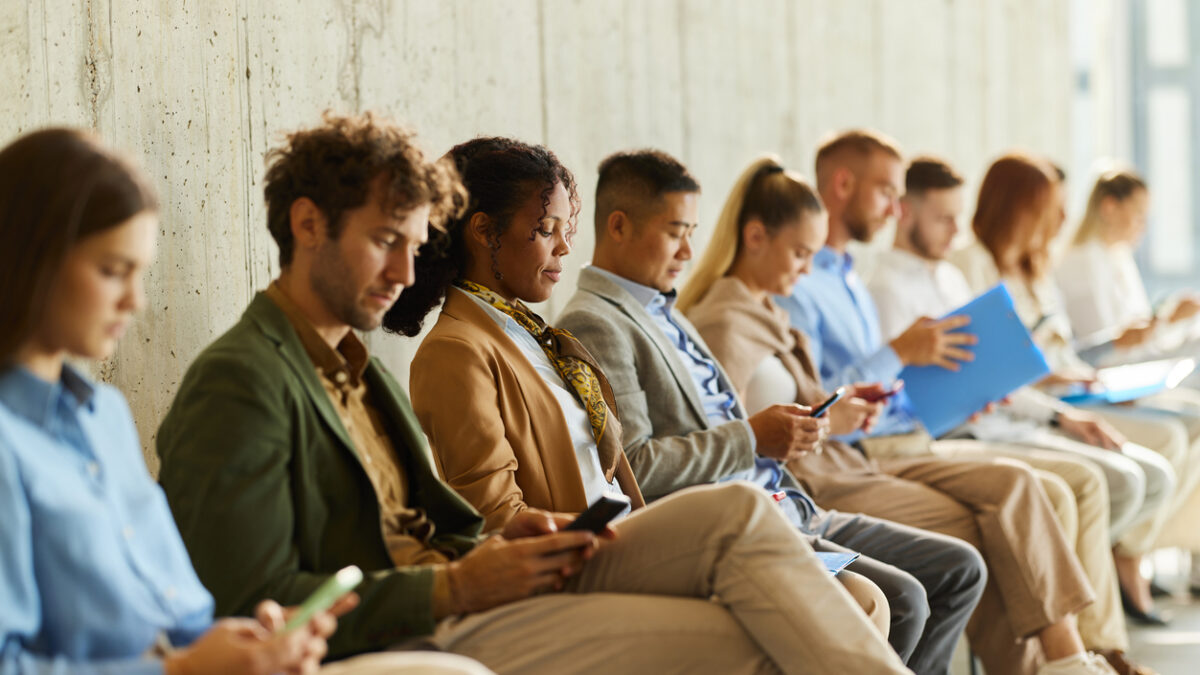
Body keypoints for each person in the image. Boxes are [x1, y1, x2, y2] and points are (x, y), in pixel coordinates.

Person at [156, 113, 913, 674]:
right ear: (308, 224)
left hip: (486, 579)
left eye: (415, 247)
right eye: (387, 241)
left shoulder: (362, 368)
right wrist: (456, 581)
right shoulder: (245, 378)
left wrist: (498, 546)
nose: (404, 271)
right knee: (764, 634)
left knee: (745, 517)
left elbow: (457, 522)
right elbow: (248, 595)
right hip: (428, 623)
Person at [557, 147, 1109, 675]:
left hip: (796, 486)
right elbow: (636, 466)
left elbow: (751, 417)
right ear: (619, 226)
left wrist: (817, 418)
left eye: (690, 235)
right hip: (765, 499)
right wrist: (760, 437)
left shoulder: (667, 310)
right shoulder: (611, 322)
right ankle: (1062, 661)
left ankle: (1069, 657)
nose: (685, 252)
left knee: (975, 549)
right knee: (948, 563)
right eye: (675, 233)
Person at [0, 127, 495, 675]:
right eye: (113, 271)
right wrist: (181, 671)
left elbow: (184, 612)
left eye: (140, 273)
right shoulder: (12, 441)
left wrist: (254, 642)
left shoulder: (105, 417)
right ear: (30, 257)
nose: (136, 301)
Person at [394, 135, 901, 641]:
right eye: (545, 230)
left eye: (565, 228)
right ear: (485, 232)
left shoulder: (535, 335)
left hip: (627, 532)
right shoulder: (457, 350)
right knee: (746, 514)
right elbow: (498, 519)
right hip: (585, 559)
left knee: (863, 599)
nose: (565, 246)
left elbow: (612, 471)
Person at [773, 130, 1122, 675]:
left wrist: (955, 398)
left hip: (903, 436)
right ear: (843, 185)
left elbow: (877, 395)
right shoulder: (808, 284)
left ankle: (1069, 659)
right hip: (855, 457)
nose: (894, 209)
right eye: (887, 192)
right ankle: (1067, 662)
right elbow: (816, 400)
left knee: (1026, 496)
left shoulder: (848, 279)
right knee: (1009, 506)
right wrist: (898, 353)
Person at [867, 156, 1167, 673]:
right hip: (943, 434)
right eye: (943, 218)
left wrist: (1055, 415)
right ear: (904, 213)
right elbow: (887, 395)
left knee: (1084, 483)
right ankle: (1087, 652)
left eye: (959, 217)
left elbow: (1001, 375)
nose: (956, 231)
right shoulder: (883, 288)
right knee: (1064, 487)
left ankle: (1096, 648)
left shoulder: (951, 281)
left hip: (991, 417)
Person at [948, 153, 1200, 627]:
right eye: (1051, 208)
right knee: (1134, 468)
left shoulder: (1034, 267)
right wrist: (1053, 392)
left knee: (1170, 443)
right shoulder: (971, 267)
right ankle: (1109, 602)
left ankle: (1106, 613)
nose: (1061, 219)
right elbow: (995, 372)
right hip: (1028, 409)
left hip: (1065, 392)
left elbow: (1062, 351)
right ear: (1019, 208)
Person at [1057, 168, 1200, 354]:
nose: (1144, 226)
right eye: (1139, 215)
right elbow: (1104, 350)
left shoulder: (1118, 256)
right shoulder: (1079, 264)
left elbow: (1139, 331)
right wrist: (1168, 321)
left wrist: (1170, 319)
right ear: (1109, 207)